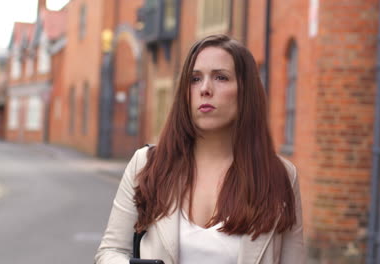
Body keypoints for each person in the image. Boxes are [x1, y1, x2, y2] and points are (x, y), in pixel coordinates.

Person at [95, 34, 304, 264]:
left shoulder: (280, 176)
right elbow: (110, 252)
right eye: (194, 79)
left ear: (245, 91)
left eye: (221, 77)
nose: (205, 89)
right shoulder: (147, 164)